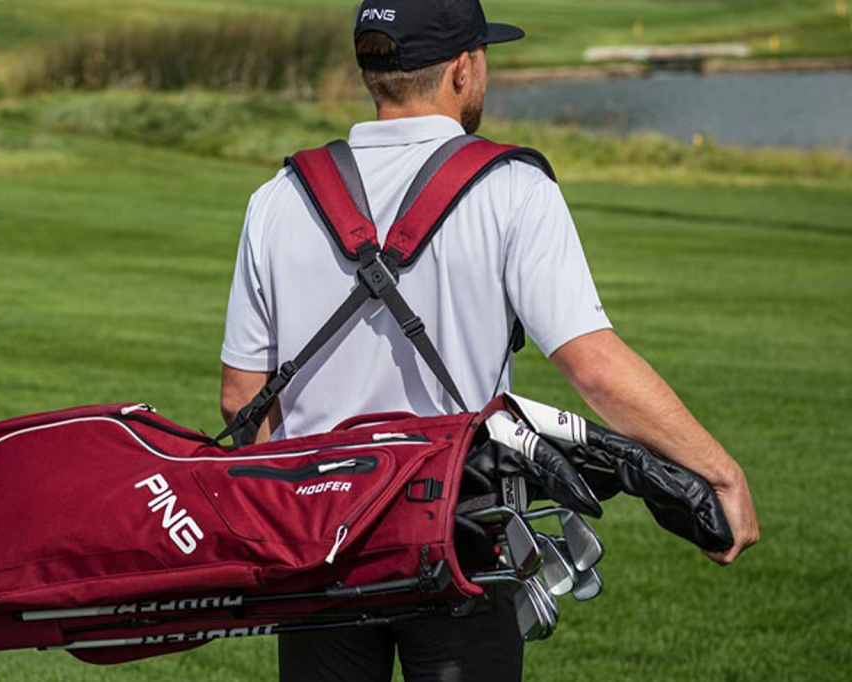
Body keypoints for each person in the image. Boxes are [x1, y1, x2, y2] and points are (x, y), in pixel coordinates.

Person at [219, 0, 759, 679]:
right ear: (463, 70)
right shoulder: (513, 188)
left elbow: (242, 397)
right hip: (460, 532)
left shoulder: (279, 195)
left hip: (322, 540)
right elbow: (592, 365)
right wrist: (720, 473)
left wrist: (294, 523)